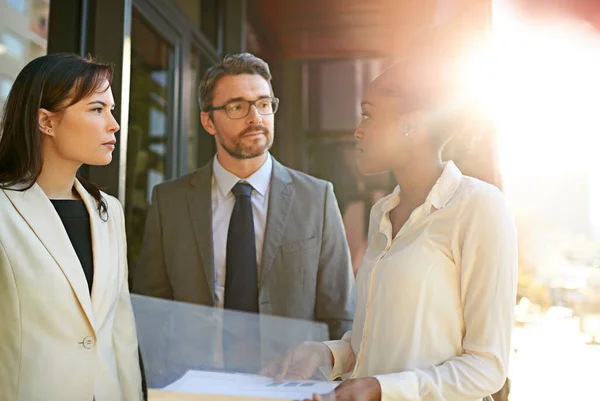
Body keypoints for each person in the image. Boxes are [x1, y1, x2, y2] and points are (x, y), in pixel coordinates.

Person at [264, 40, 518, 401]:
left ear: (412, 125)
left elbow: (487, 367)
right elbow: (372, 342)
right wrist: (323, 353)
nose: (358, 130)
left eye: (367, 114)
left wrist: (382, 389)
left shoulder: (479, 207)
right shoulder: (381, 213)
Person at [133, 53, 355, 341]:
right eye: (237, 106)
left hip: (289, 380)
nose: (256, 118)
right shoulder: (170, 201)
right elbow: (151, 308)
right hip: (196, 380)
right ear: (208, 121)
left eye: (264, 104)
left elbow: (340, 314)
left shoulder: (317, 198)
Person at [0, 54, 143, 401]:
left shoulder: (110, 211)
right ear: (46, 122)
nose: (114, 124)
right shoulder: (4, 210)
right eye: (97, 109)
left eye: (111, 110)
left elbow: (120, 331)